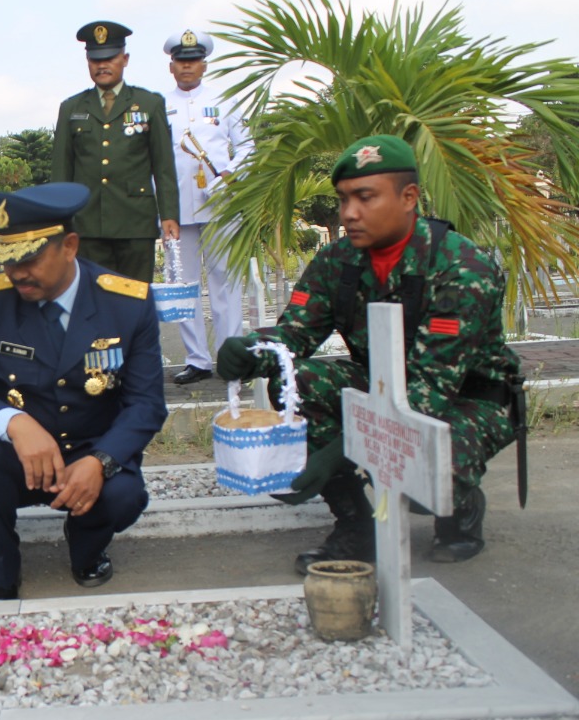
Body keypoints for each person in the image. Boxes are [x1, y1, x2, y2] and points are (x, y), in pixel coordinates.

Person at [216, 135, 522, 572]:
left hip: (466, 400)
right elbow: (295, 335)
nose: (349, 213)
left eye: (365, 197)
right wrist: (251, 352)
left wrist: (338, 451)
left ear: (408, 197)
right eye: (344, 199)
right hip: (381, 386)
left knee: (422, 474)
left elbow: (428, 394)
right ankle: (358, 525)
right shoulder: (337, 261)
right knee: (295, 381)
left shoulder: (461, 268)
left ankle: (460, 504)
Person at [0, 182, 168, 600]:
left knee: (124, 495)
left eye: (28, 258)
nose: (16, 272)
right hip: (16, 455)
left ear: (70, 246)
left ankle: (87, 547)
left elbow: (146, 404)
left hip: (89, 448)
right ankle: (1, 569)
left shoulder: (127, 303)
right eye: (7, 259)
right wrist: (15, 423)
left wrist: (101, 461)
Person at [50, 21, 179, 282]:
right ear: (88, 62)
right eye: (96, 60)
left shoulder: (149, 104)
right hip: (87, 225)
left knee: (136, 296)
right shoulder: (72, 108)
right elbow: (61, 171)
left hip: (135, 222)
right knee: (93, 297)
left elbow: (163, 166)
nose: (102, 65)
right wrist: (59, 222)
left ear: (125, 59)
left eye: (109, 58)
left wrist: (169, 215)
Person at [163, 29, 254, 386]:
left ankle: (231, 357)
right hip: (177, 207)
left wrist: (230, 174)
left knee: (225, 283)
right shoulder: (159, 105)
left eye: (194, 61)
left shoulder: (226, 100)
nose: (187, 67)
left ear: (204, 64)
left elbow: (247, 147)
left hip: (219, 204)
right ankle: (197, 360)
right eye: (181, 61)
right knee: (183, 285)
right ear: (171, 66)